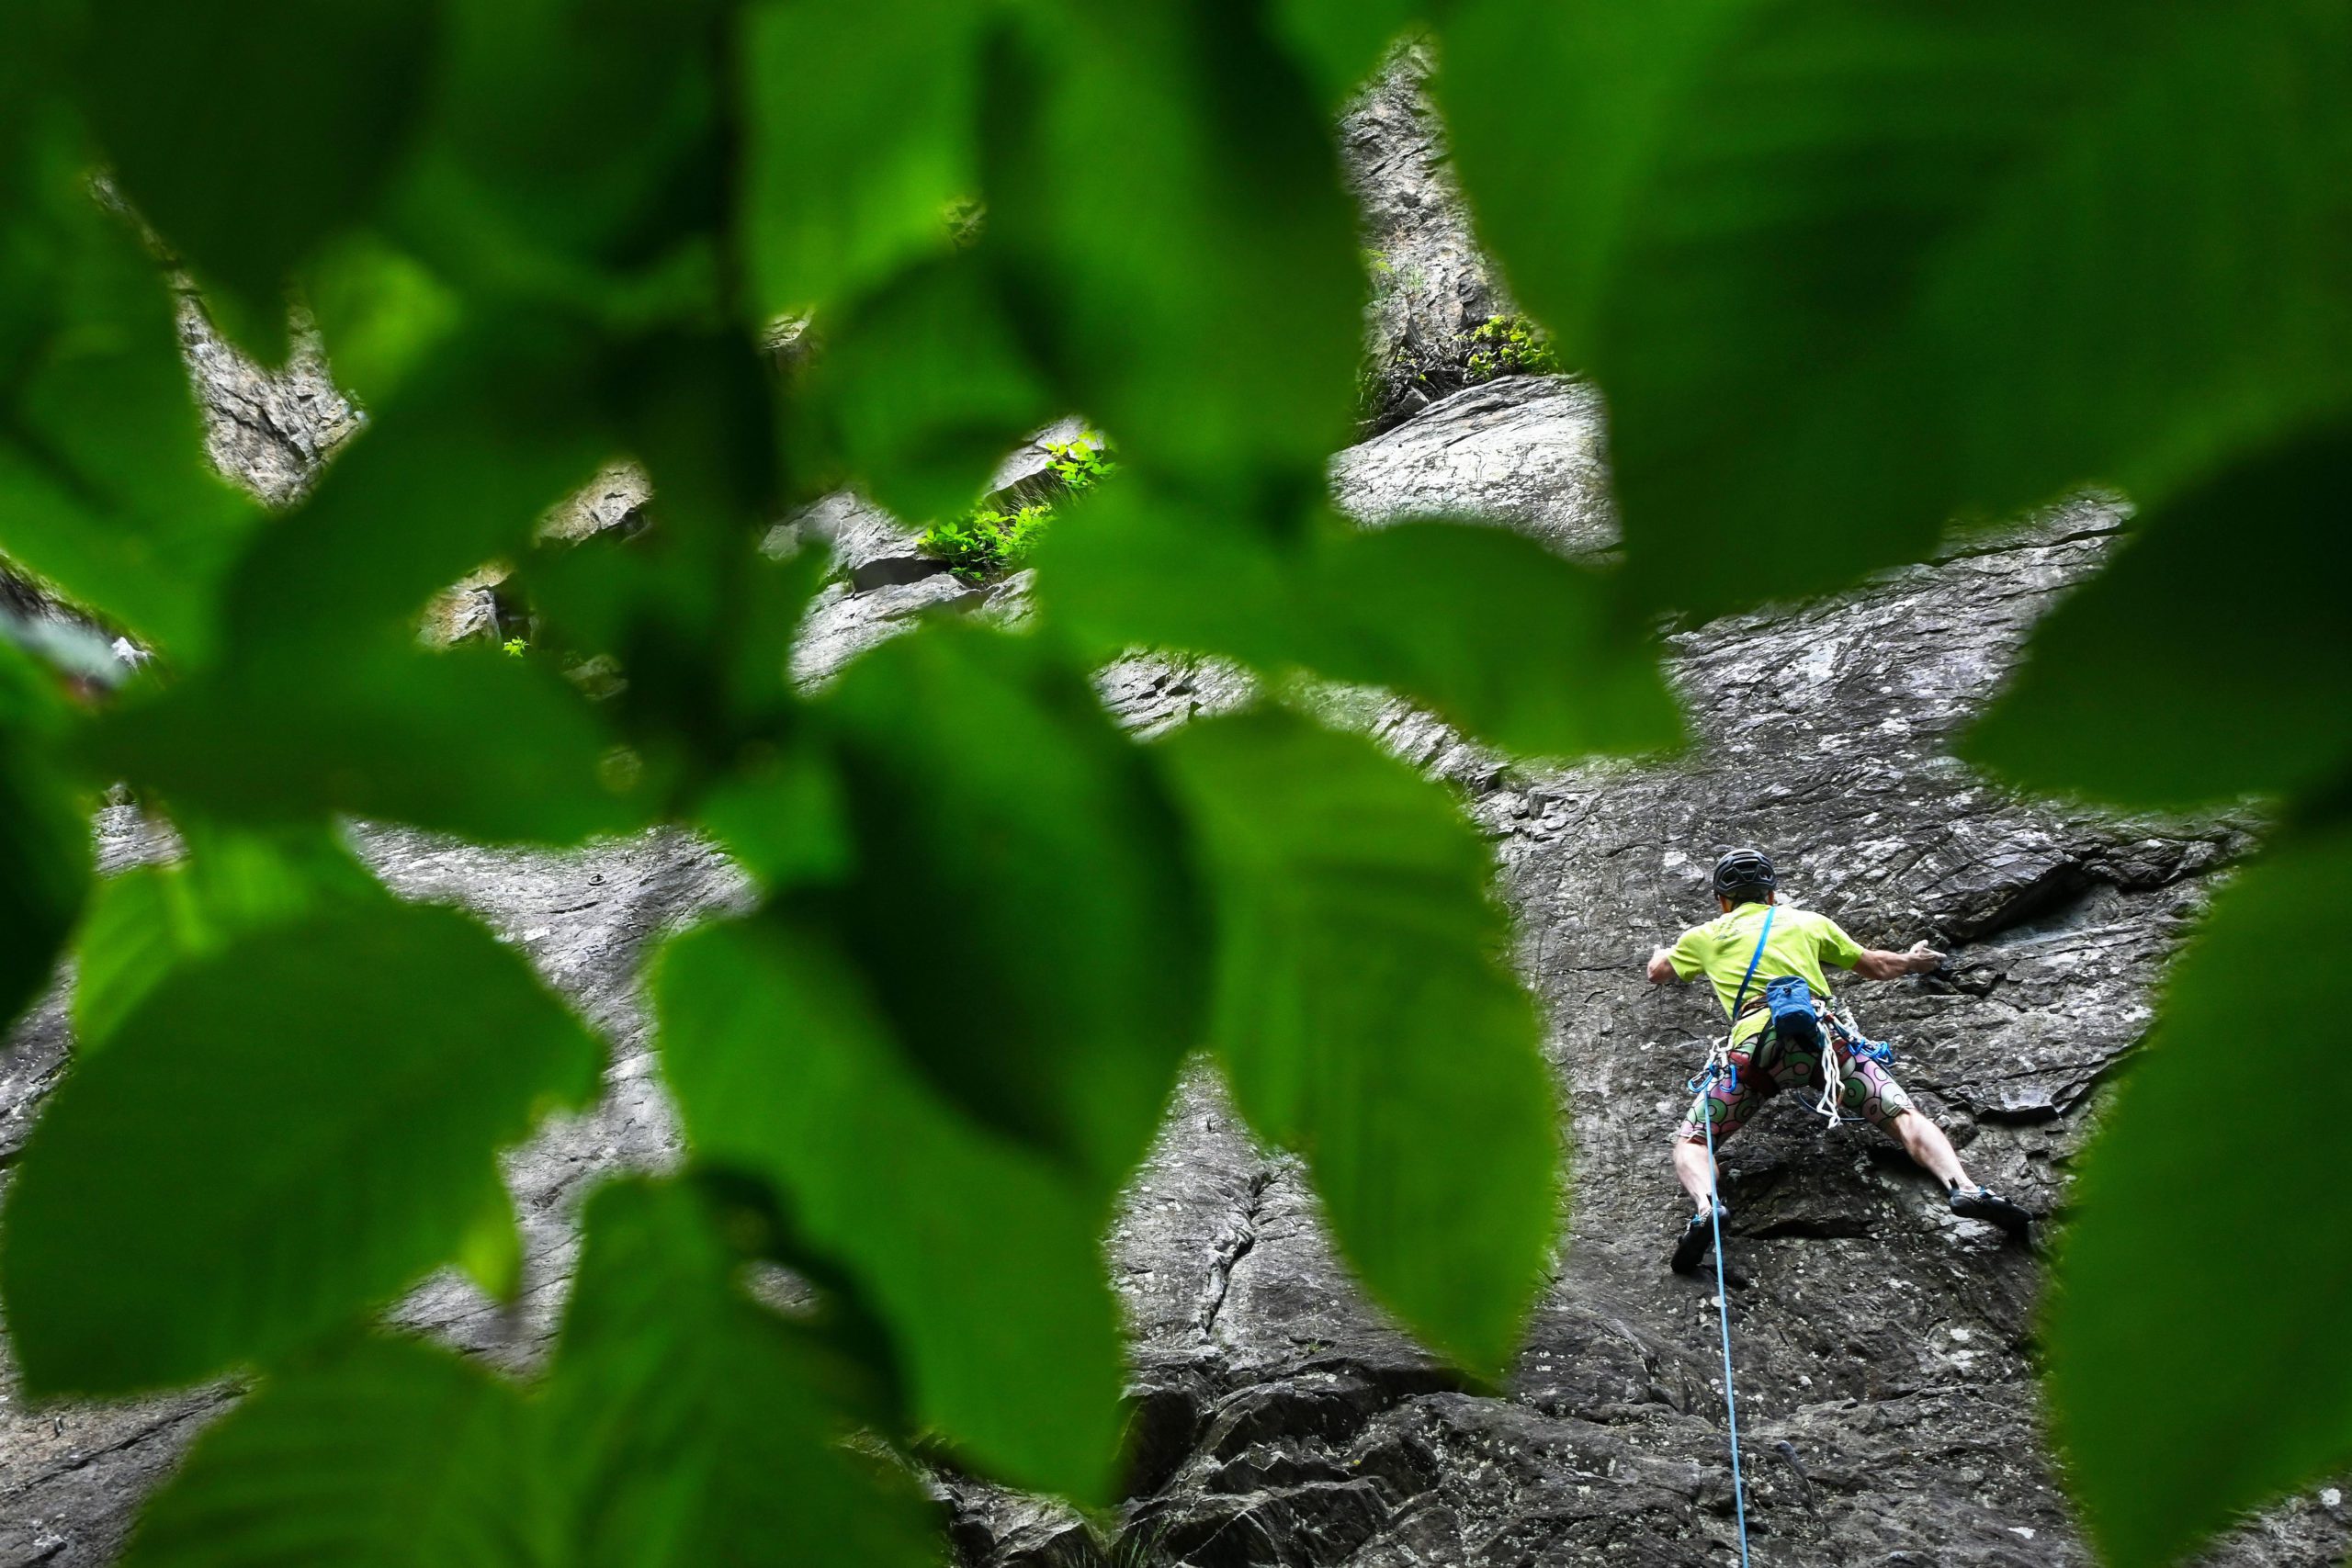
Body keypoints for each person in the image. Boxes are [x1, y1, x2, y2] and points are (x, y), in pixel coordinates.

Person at [1647, 848, 2032, 1273]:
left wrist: (1664, 950)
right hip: (1826, 1045)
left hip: (1754, 1053)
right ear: (1771, 894)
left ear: (1723, 900)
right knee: (1904, 1116)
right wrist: (1914, 961)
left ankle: (1707, 1207)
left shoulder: (1704, 936)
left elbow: (1658, 972)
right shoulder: (1807, 922)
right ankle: (1964, 1186)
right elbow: (1876, 966)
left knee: (1695, 1141)